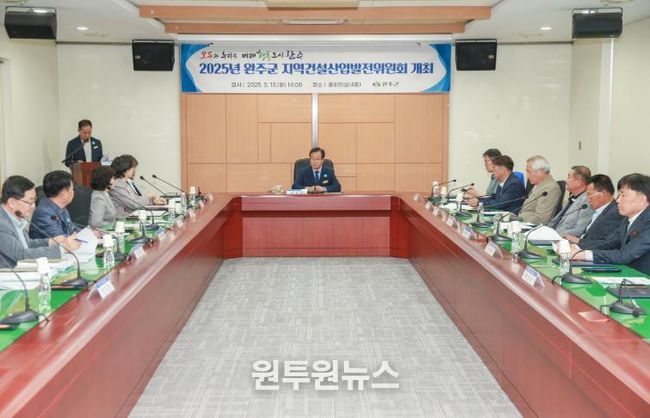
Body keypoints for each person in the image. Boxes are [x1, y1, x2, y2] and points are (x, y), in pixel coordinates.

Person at [572, 173, 650, 275]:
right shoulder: (627, 219)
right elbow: (607, 243)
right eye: (618, 195)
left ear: (642, 199)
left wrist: (584, 255)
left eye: (623, 195)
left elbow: (625, 255)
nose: (617, 200)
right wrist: (577, 248)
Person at [0, 176, 79, 268]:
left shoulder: (15, 218)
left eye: (34, 200)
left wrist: (50, 242)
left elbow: (27, 244)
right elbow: (20, 255)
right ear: (12, 202)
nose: (33, 206)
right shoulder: (2, 224)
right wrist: (61, 249)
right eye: (30, 202)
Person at [565, 174, 624, 248]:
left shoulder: (615, 213)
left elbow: (605, 244)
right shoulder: (600, 210)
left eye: (589, 195)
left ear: (603, 193)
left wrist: (578, 241)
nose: (588, 199)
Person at [29, 171, 78, 239]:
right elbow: (61, 240)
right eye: (72, 189)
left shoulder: (61, 207)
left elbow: (71, 228)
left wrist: (89, 232)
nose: (73, 192)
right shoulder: (44, 213)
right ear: (64, 194)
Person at [548, 166, 594, 236]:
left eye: (569, 177)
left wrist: (554, 235)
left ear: (578, 182)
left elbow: (578, 230)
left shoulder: (587, 201)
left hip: (562, 239)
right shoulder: (573, 197)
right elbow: (556, 222)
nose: (566, 180)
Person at [518, 155, 561, 224]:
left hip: (532, 227)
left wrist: (517, 220)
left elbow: (541, 219)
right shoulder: (538, 185)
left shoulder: (551, 188)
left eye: (529, 172)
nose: (527, 175)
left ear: (540, 172)